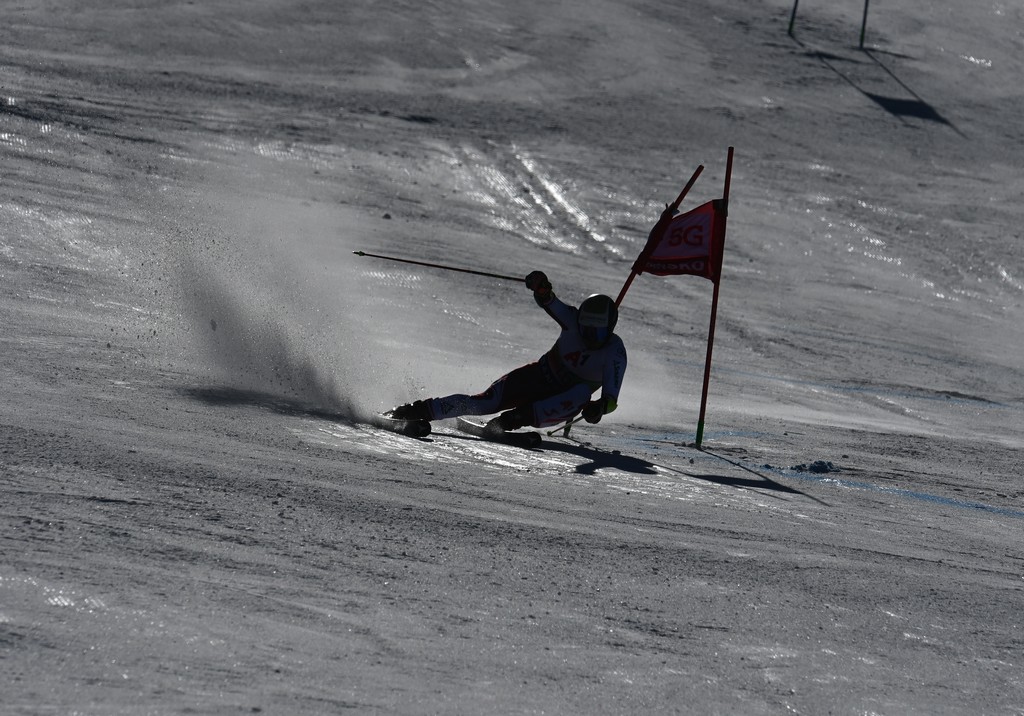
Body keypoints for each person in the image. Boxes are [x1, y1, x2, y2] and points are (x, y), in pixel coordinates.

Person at [389, 271, 627, 433]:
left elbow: (611, 400)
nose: (589, 337)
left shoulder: (615, 353)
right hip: (536, 377)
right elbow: (550, 301)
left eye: (596, 333)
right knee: (485, 402)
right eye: (585, 330)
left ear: (609, 329)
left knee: (581, 393)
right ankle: (417, 410)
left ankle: (512, 420)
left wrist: (598, 409)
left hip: (560, 402)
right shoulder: (572, 320)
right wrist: (541, 287)